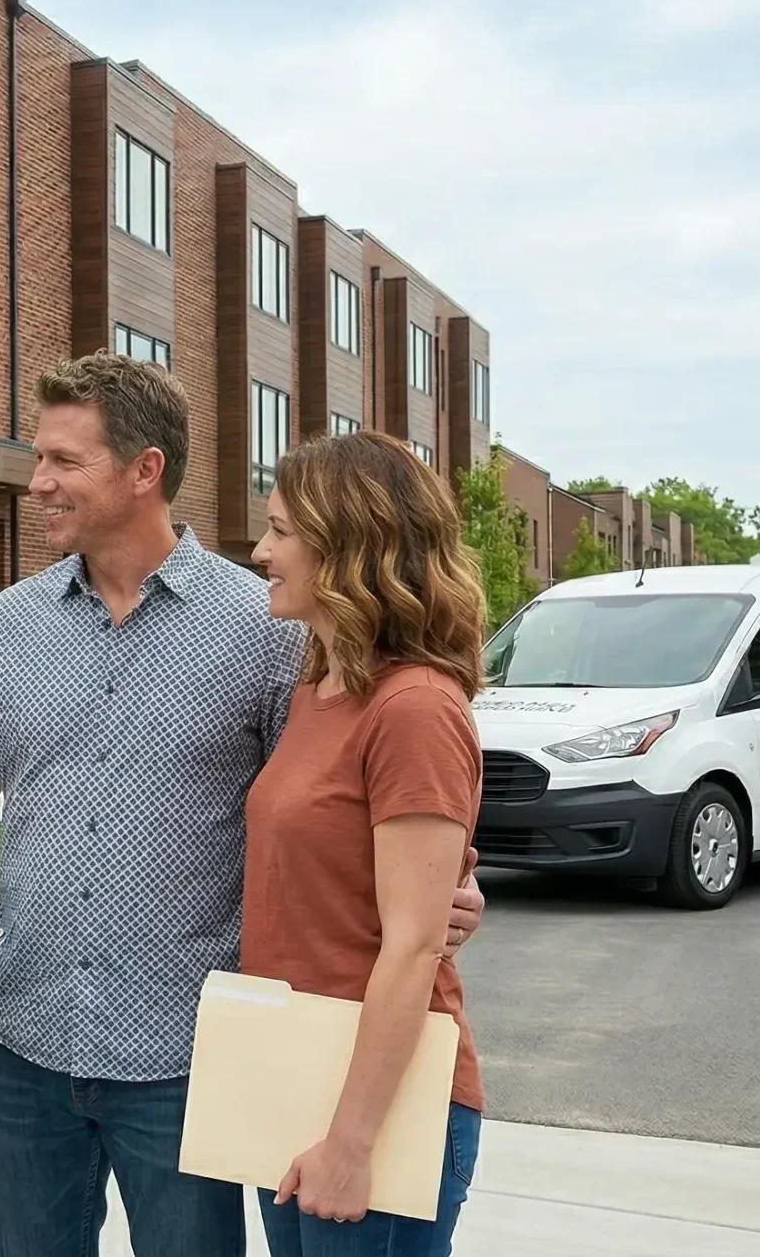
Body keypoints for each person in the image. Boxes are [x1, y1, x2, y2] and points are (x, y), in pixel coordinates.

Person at [0, 352, 486, 1257]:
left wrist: (437, 895)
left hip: (190, 1051)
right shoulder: (8, 625)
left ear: (146, 471)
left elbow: (349, 794)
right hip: (26, 1039)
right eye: (39, 458)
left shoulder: (268, 627)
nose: (39, 482)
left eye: (65, 461)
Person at [244, 429, 489, 1255]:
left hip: (379, 1107)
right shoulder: (321, 686)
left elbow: (414, 948)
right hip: (298, 1076)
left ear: (348, 544)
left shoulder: (414, 707)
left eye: (281, 531)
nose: (260, 549)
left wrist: (351, 1142)